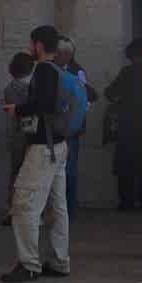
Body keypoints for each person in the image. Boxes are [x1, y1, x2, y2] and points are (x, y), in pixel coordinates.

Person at [2, 25, 73, 282]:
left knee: (23, 201)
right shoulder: (61, 69)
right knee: (57, 206)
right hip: (59, 145)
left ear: (39, 45)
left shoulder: (43, 69)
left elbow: (44, 104)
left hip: (44, 147)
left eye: (32, 44)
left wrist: (17, 109)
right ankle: (59, 260)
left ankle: (29, 263)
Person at [105, 38, 142, 211]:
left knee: (125, 167)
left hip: (127, 125)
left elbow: (110, 93)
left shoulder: (127, 72)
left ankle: (127, 202)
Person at [56, 42, 92, 220]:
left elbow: (82, 102)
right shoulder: (52, 69)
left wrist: (73, 125)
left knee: (69, 170)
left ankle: (70, 210)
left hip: (70, 129)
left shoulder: (77, 72)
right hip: (59, 128)